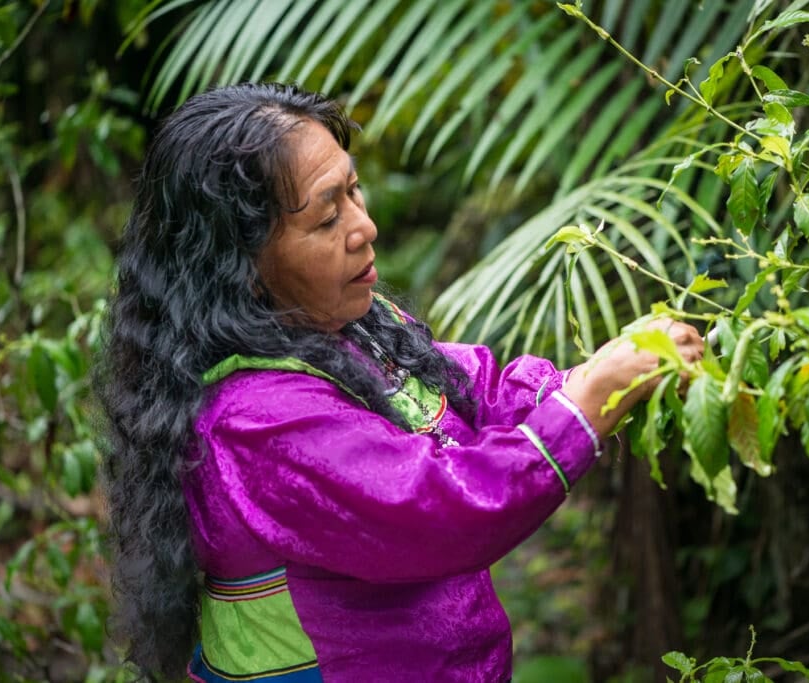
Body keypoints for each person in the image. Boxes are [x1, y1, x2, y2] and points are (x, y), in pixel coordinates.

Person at [96, 82, 703, 683]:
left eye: (354, 190)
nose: (364, 226)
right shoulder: (257, 421)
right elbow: (438, 505)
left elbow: (475, 392)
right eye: (328, 215)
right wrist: (587, 404)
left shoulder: (348, 327)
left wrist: (592, 376)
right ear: (242, 264)